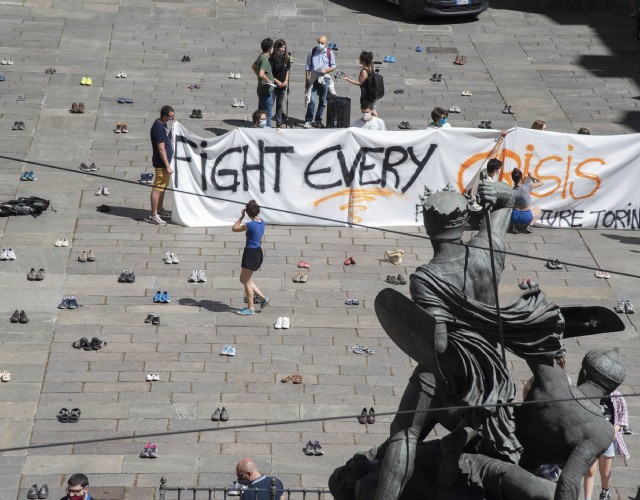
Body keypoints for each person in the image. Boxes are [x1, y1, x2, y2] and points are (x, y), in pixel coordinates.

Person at [372, 183, 563, 500]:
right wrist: (497, 191)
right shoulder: (486, 252)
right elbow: (509, 201)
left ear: (427, 225)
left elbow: (440, 341)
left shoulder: (425, 277)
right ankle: (460, 438)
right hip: (491, 373)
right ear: (462, 224)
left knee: (405, 433)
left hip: (446, 372)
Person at [583, 390, 630, 500]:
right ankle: (587, 498)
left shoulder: (617, 396)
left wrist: (614, 430)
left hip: (609, 439)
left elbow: (623, 417)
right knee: (590, 471)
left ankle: (605, 491)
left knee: (605, 471)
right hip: (591, 438)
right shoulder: (590, 392)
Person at [232, 200, 269, 315]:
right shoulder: (262, 222)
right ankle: (262, 298)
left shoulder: (249, 225)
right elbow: (262, 239)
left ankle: (251, 308)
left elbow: (234, 228)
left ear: (248, 212)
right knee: (244, 279)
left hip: (250, 253)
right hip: (258, 252)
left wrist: (241, 217)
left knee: (246, 281)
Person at [146, 105, 175, 226]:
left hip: (165, 163)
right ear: (164, 117)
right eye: (170, 117)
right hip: (161, 164)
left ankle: (160, 209)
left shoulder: (162, 125)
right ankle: (154, 215)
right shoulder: (159, 128)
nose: (172, 119)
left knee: (162, 187)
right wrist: (167, 165)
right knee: (157, 188)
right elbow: (161, 148)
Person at [304, 34, 336, 129]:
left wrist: (326, 70)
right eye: (319, 42)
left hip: (324, 77)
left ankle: (318, 120)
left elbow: (333, 66)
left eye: (322, 43)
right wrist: (306, 80)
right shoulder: (312, 51)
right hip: (313, 77)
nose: (320, 44)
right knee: (312, 100)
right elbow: (307, 66)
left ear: (326, 44)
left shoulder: (330, 53)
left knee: (322, 101)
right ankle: (308, 120)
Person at [342, 50, 379, 115]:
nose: (359, 59)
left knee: (366, 109)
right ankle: (377, 121)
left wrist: (348, 79)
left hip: (367, 94)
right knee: (372, 108)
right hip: (372, 92)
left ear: (363, 60)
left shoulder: (364, 71)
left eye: (360, 58)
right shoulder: (371, 66)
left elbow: (360, 83)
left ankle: (374, 122)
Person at [510, 167, 544, 233]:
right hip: (526, 217)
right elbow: (542, 182)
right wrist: (533, 176)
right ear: (520, 178)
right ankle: (530, 225)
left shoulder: (511, 190)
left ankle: (515, 225)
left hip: (514, 216)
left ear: (513, 179)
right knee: (538, 209)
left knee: (514, 210)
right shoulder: (527, 186)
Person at [252, 38, 275, 128]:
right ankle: (267, 133)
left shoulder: (261, 56)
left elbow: (254, 66)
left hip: (261, 89)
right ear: (270, 49)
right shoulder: (265, 60)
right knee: (267, 115)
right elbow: (261, 74)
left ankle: (258, 129)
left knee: (260, 113)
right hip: (266, 90)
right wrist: (268, 80)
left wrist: (259, 76)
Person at [269, 39, 290, 128]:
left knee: (280, 105)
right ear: (277, 47)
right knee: (270, 104)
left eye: (284, 47)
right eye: (282, 47)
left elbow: (287, 70)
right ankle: (267, 123)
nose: (283, 49)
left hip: (282, 86)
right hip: (274, 85)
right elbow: (269, 73)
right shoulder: (272, 58)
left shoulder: (286, 58)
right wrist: (277, 82)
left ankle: (279, 122)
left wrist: (286, 81)